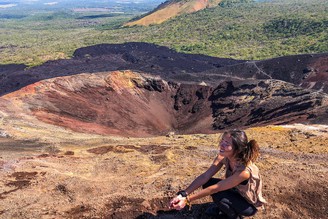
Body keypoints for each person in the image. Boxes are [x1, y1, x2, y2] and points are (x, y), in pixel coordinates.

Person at [169, 129, 266, 219]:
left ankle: (232, 216)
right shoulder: (223, 157)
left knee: (218, 193)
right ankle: (224, 208)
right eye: (222, 140)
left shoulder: (244, 171)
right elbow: (205, 176)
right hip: (236, 191)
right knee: (208, 183)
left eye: (226, 143)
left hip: (248, 204)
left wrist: (187, 200)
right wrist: (183, 194)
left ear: (237, 149)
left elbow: (216, 188)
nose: (221, 145)